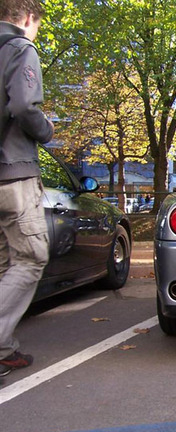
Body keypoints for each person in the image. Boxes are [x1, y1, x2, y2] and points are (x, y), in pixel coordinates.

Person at [0, 0, 54, 377]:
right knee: (31, 257)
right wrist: (46, 130)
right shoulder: (20, 48)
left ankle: (5, 349)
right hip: (11, 172)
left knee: (5, 262)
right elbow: (23, 105)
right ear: (28, 18)